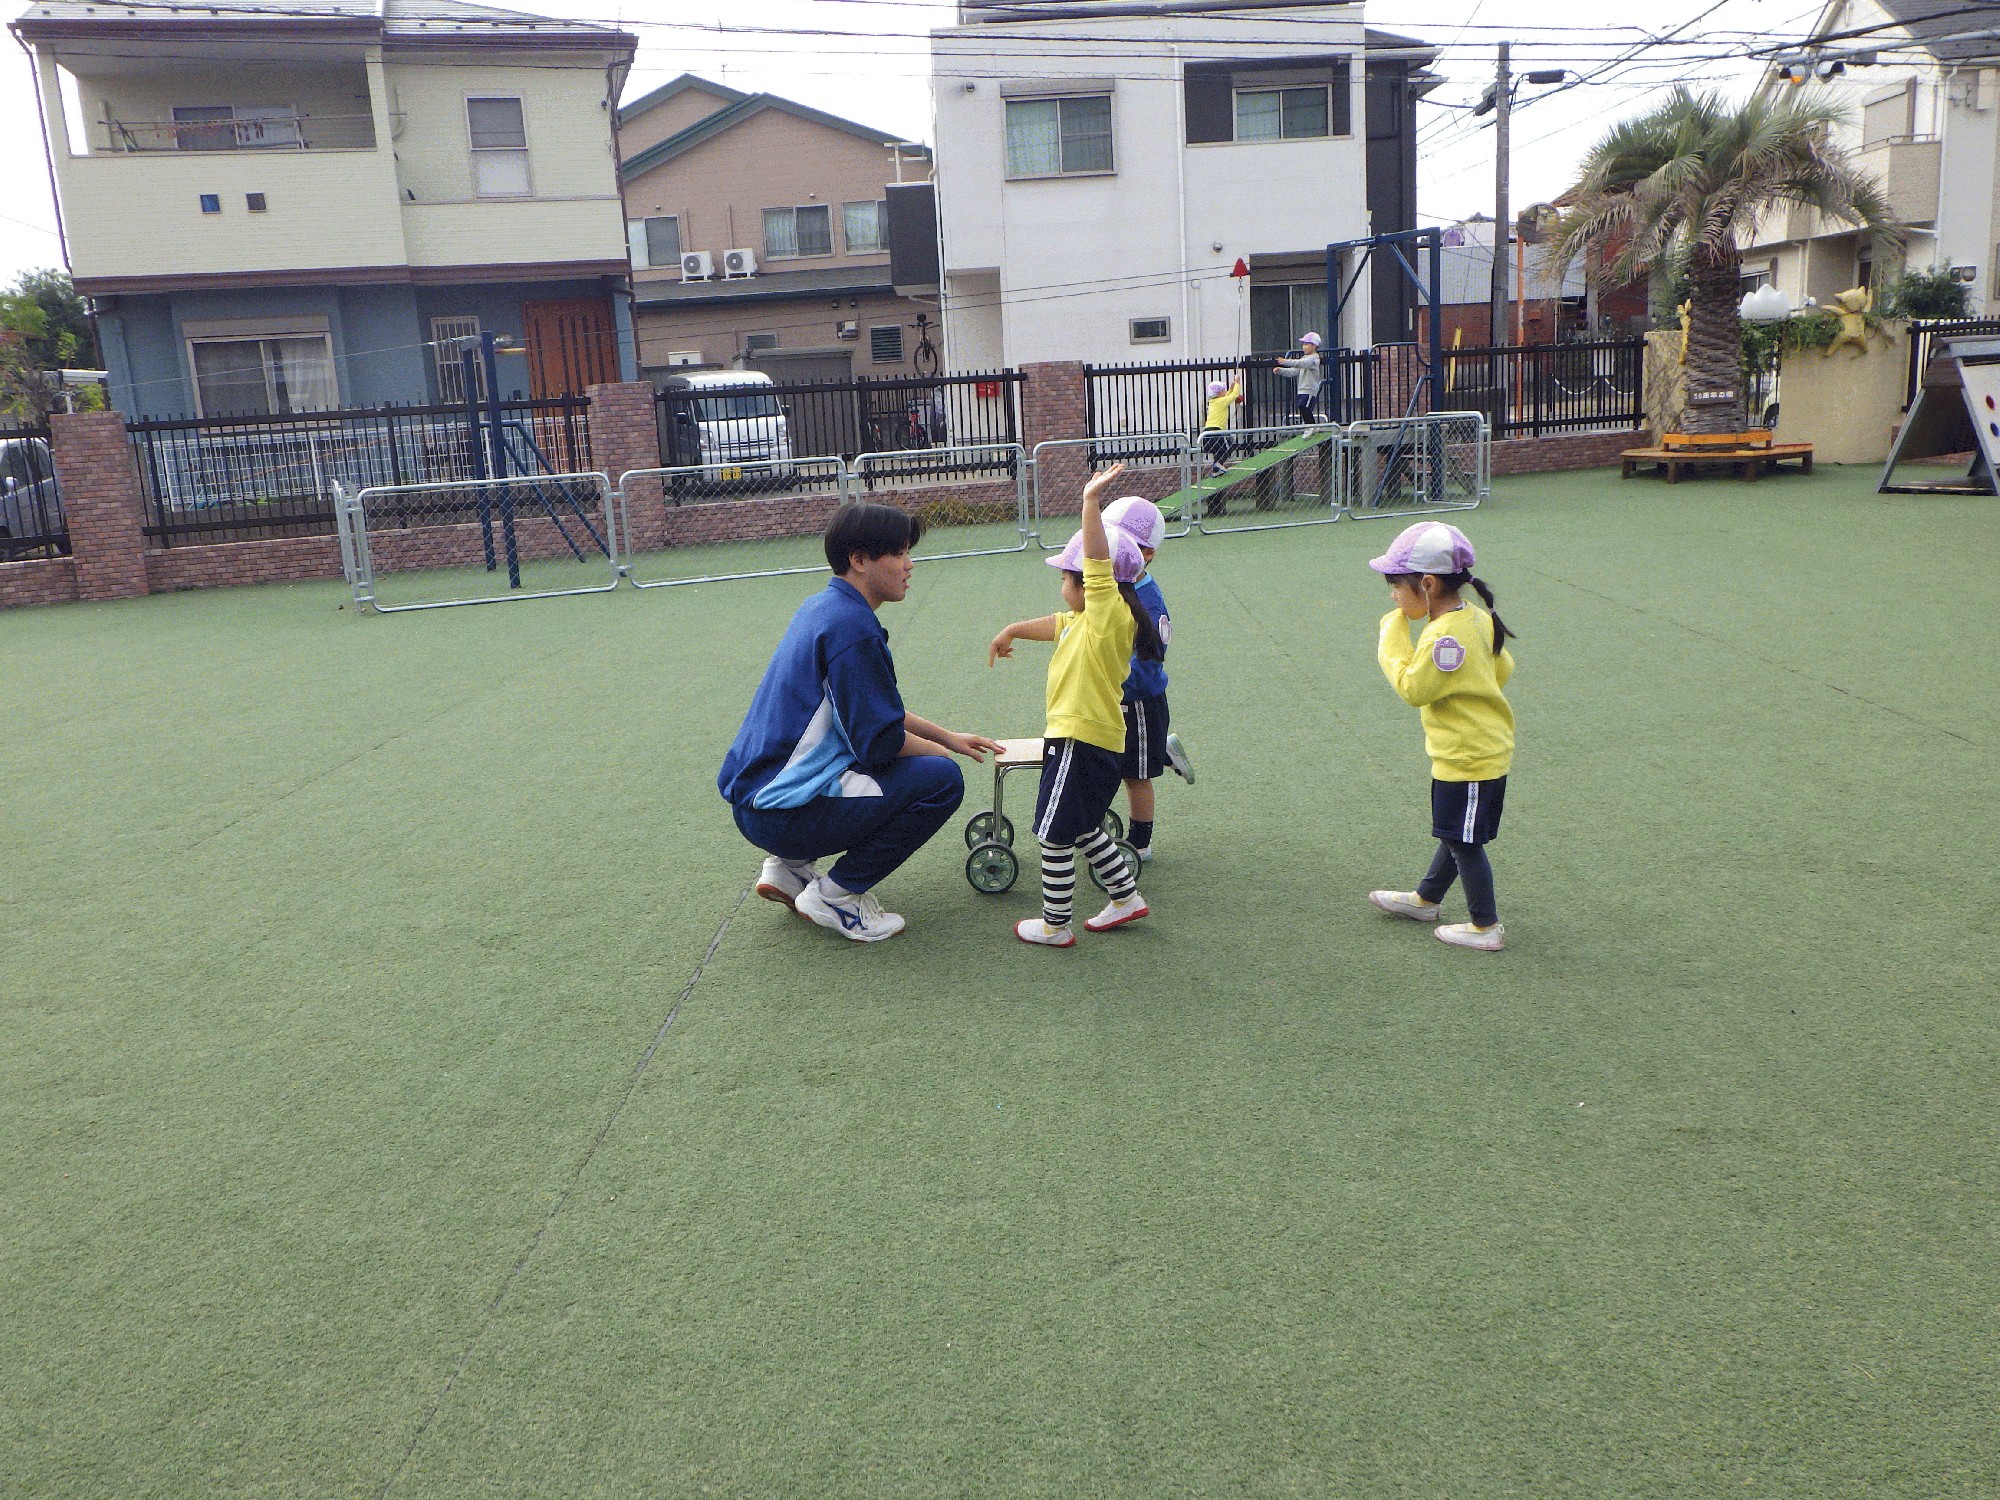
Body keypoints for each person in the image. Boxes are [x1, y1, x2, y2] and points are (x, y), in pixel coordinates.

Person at [718, 501, 1003, 943]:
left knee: (906, 763)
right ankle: (836, 894)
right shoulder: (853, 629)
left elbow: (871, 711)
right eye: (898, 553)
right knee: (941, 781)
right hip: (781, 815)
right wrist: (942, 755)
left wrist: (947, 736)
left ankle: (788, 869)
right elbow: (879, 741)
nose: (909, 565)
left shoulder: (823, 607)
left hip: (757, 803)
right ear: (859, 560)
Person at [988, 463, 1160, 947]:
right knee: (1083, 828)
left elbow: (1098, 564)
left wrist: (1089, 502)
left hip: (1079, 740)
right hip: (1092, 740)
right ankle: (1126, 898)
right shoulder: (1089, 619)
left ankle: (1055, 924)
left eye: (1066, 577)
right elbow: (1055, 623)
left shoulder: (1108, 613)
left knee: (1053, 834)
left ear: (1087, 582)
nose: (1062, 587)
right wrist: (1012, 630)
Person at [1365, 520, 1516, 952]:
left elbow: (1414, 689)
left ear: (1427, 584)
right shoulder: (1475, 619)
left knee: (1463, 842)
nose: (1393, 596)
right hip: (1477, 751)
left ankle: (1486, 927)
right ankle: (1426, 899)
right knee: (1454, 834)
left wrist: (1391, 639)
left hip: (1467, 757)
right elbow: (1503, 668)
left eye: (1396, 586)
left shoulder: (1444, 635)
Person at [1100, 495, 1194, 862]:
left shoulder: (1148, 602)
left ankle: (1140, 844)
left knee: (1135, 776)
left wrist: (1110, 679)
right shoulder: (1112, 585)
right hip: (1114, 697)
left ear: (1147, 554)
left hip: (1138, 702)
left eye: (1121, 545)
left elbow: (1148, 665)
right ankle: (1162, 749)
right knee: (1116, 762)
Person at [1275, 331, 1324, 424]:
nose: (1304, 347)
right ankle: (1309, 426)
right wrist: (1281, 370)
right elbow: (1294, 371)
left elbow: (1302, 363)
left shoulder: (1314, 358)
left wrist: (1286, 361)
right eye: (1303, 344)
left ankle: (1311, 426)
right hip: (1301, 389)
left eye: (1307, 344)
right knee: (1301, 407)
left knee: (1304, 407)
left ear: (1314, 346)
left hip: (1309, 389)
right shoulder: (1304, 358)